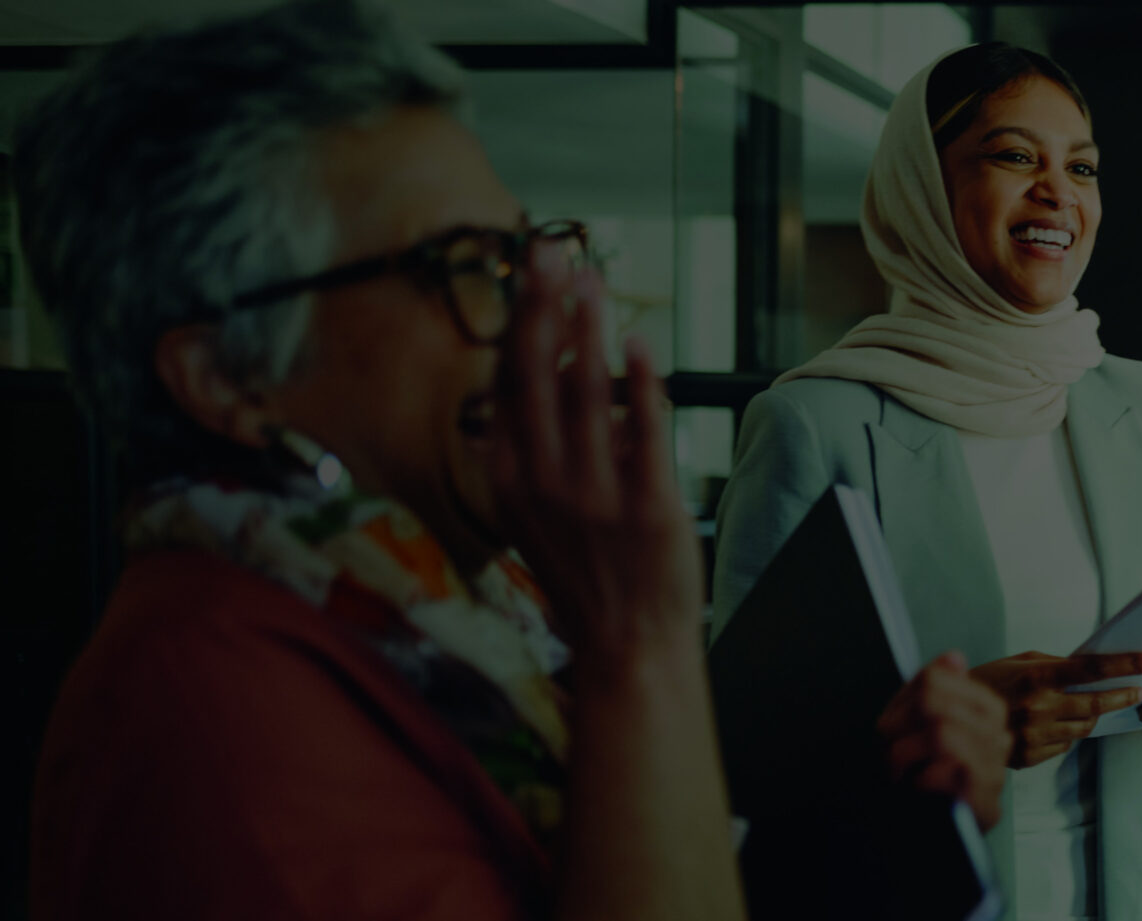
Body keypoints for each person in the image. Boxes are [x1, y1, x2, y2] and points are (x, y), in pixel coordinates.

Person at [15, 2, 1004, 918]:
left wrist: (869, 815)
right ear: (226, 377)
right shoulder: (206, 711)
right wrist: (639, 643)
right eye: (466, 269)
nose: (543, 318)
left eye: (528, 255)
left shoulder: (468, 611)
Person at [710, 42, 1142, 921]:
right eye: (1015, 156)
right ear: (923, 185)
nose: (1057, 192)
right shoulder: (815, 422)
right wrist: (949, 730)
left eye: (1082, 167)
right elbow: (738, 749)